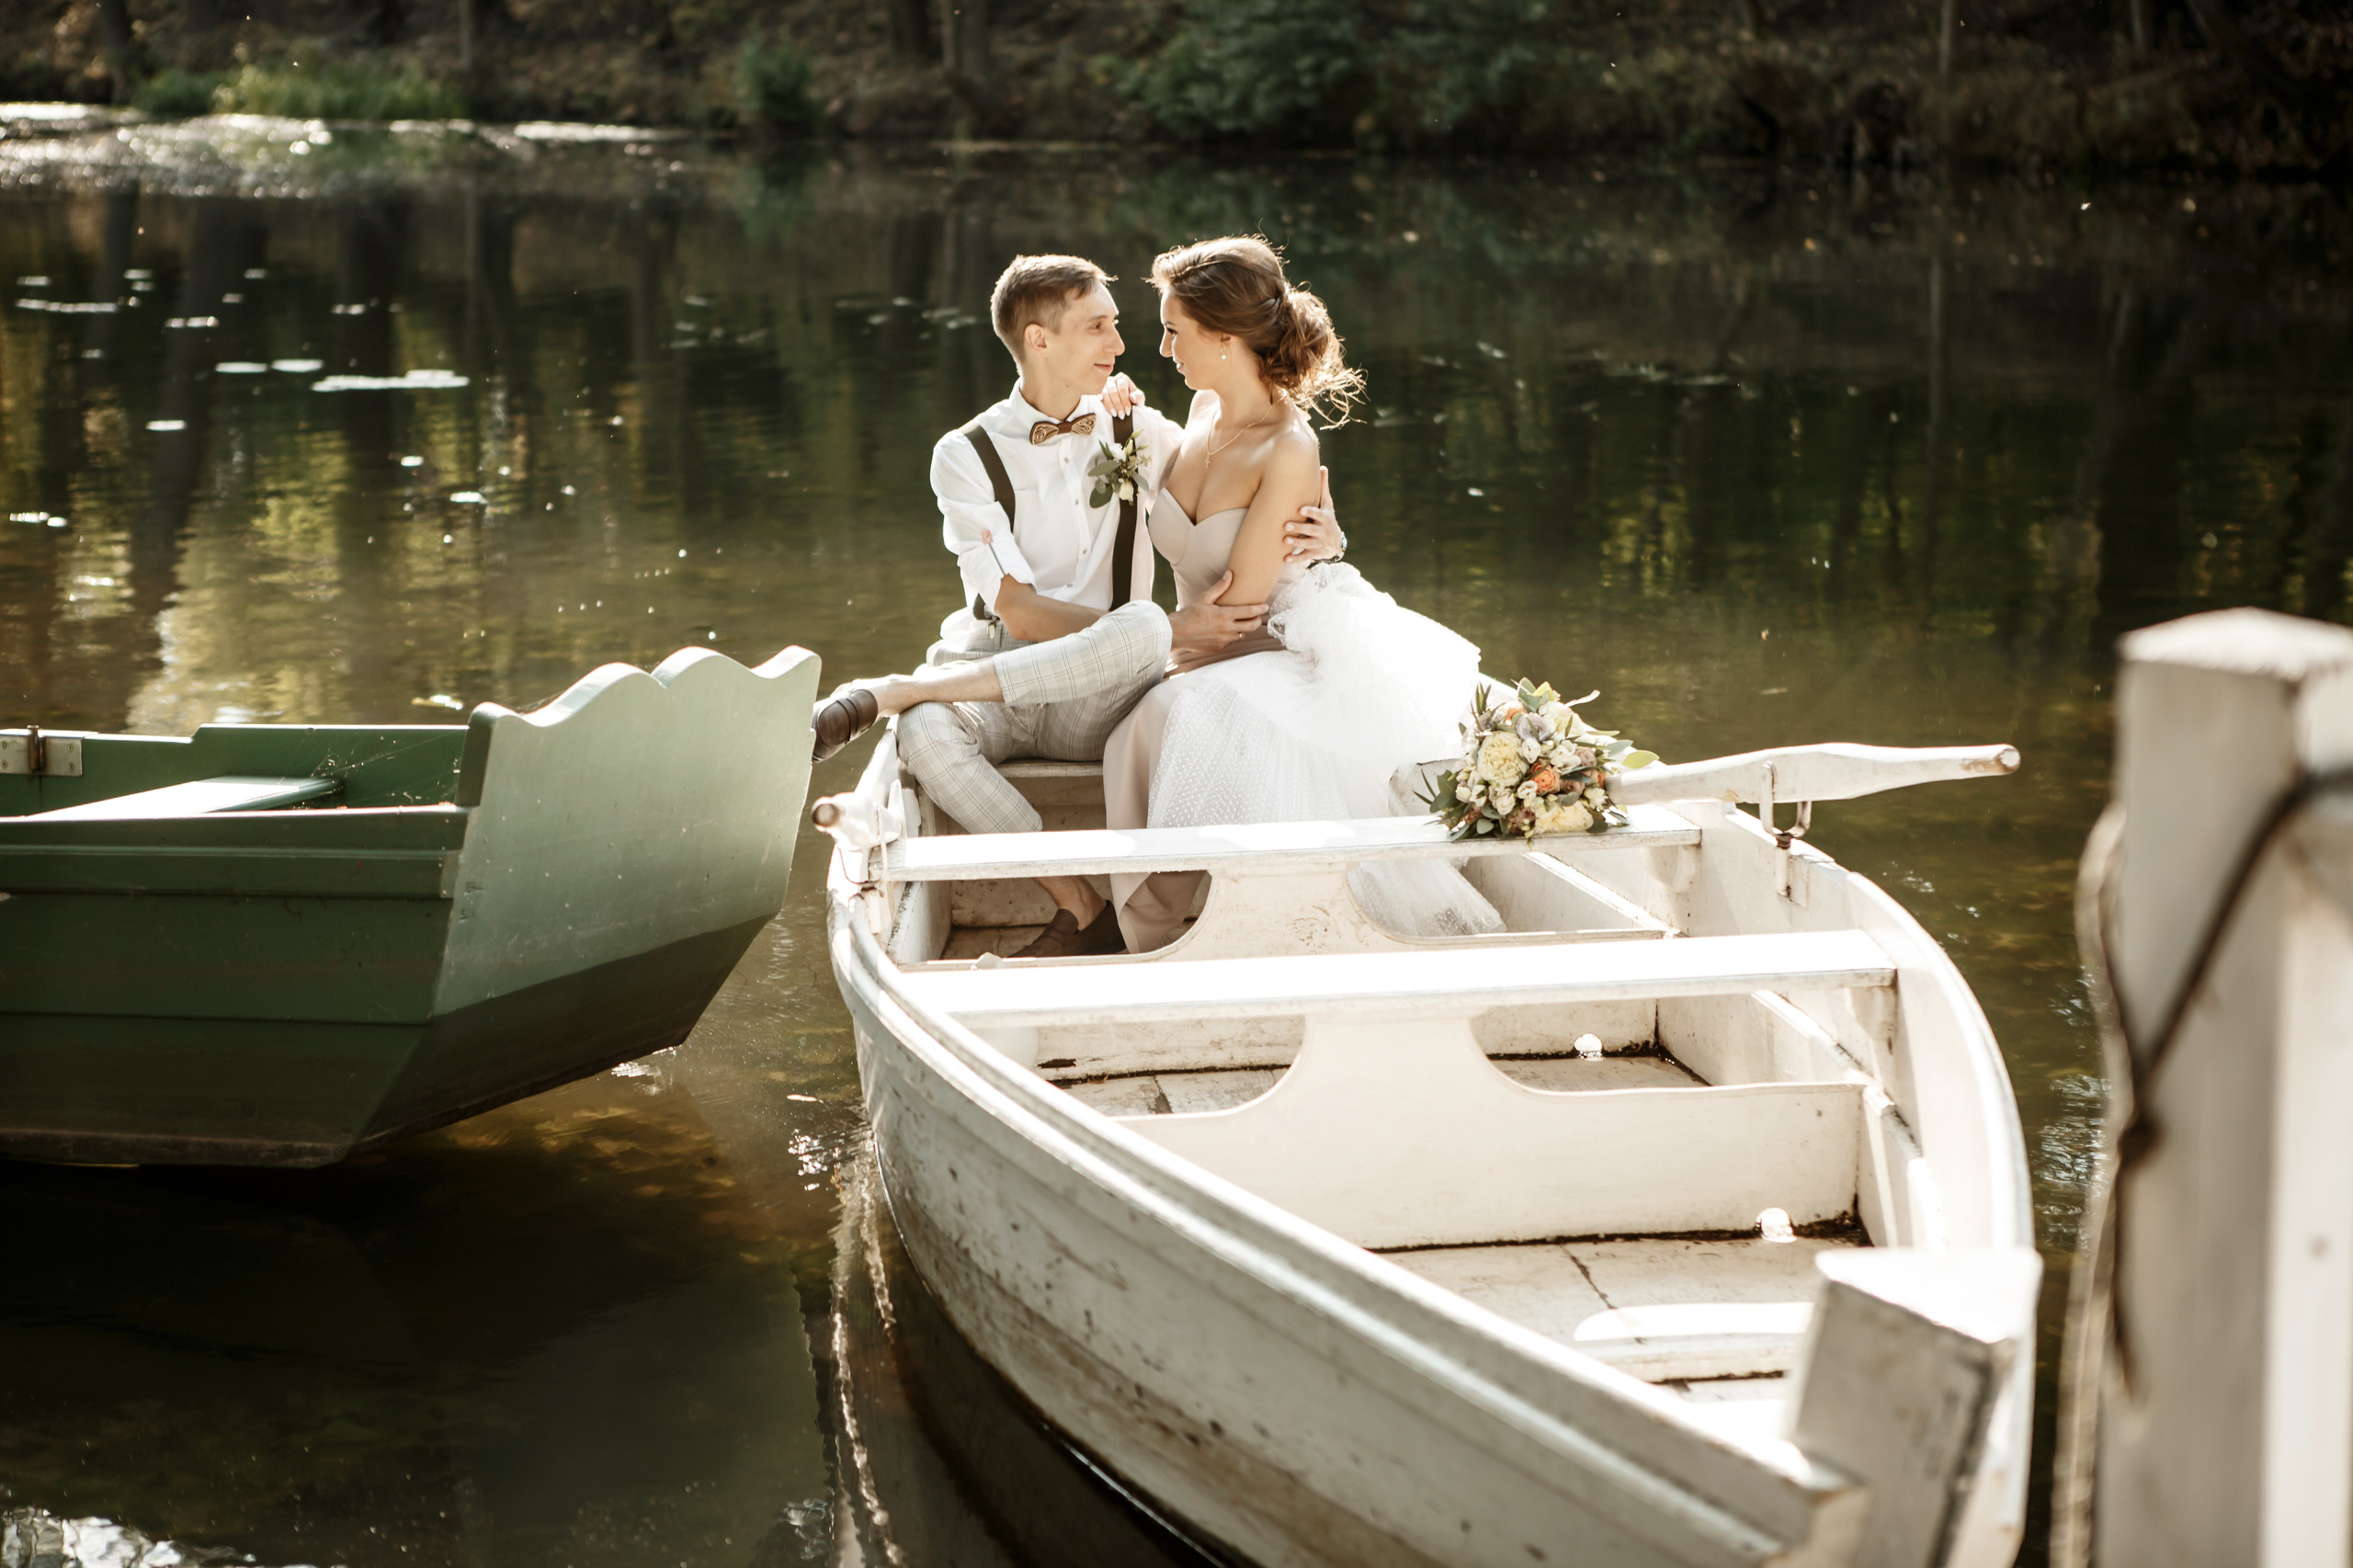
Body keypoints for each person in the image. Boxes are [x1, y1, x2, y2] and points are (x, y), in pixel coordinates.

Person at [809, 253, 1346, 958]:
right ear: (1039, 341)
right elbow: (1020, 615)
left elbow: (1243, 491)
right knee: (926, 736)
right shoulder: (964, 454)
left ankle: (899, 689)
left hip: (1106, 696)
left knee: (1141, 630)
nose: (1121, 347)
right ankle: (1080, 903)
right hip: (997, 676)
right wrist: (1168, 630)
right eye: (1099, 328)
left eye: (1120, 326)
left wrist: (1328, 537)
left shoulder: (1143, 432)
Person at [1103, 236, 1501, 951]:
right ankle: (1146, 920)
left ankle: (1151, 920)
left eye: (1173, 332)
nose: (1162, 350)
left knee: (1168, 710)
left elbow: (1242, 606)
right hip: (1203, 637)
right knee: (1154, 707)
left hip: (1273, 640)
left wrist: (1147, 653)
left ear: (1224, 339)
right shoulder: (1200, 415)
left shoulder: (1288, 446)